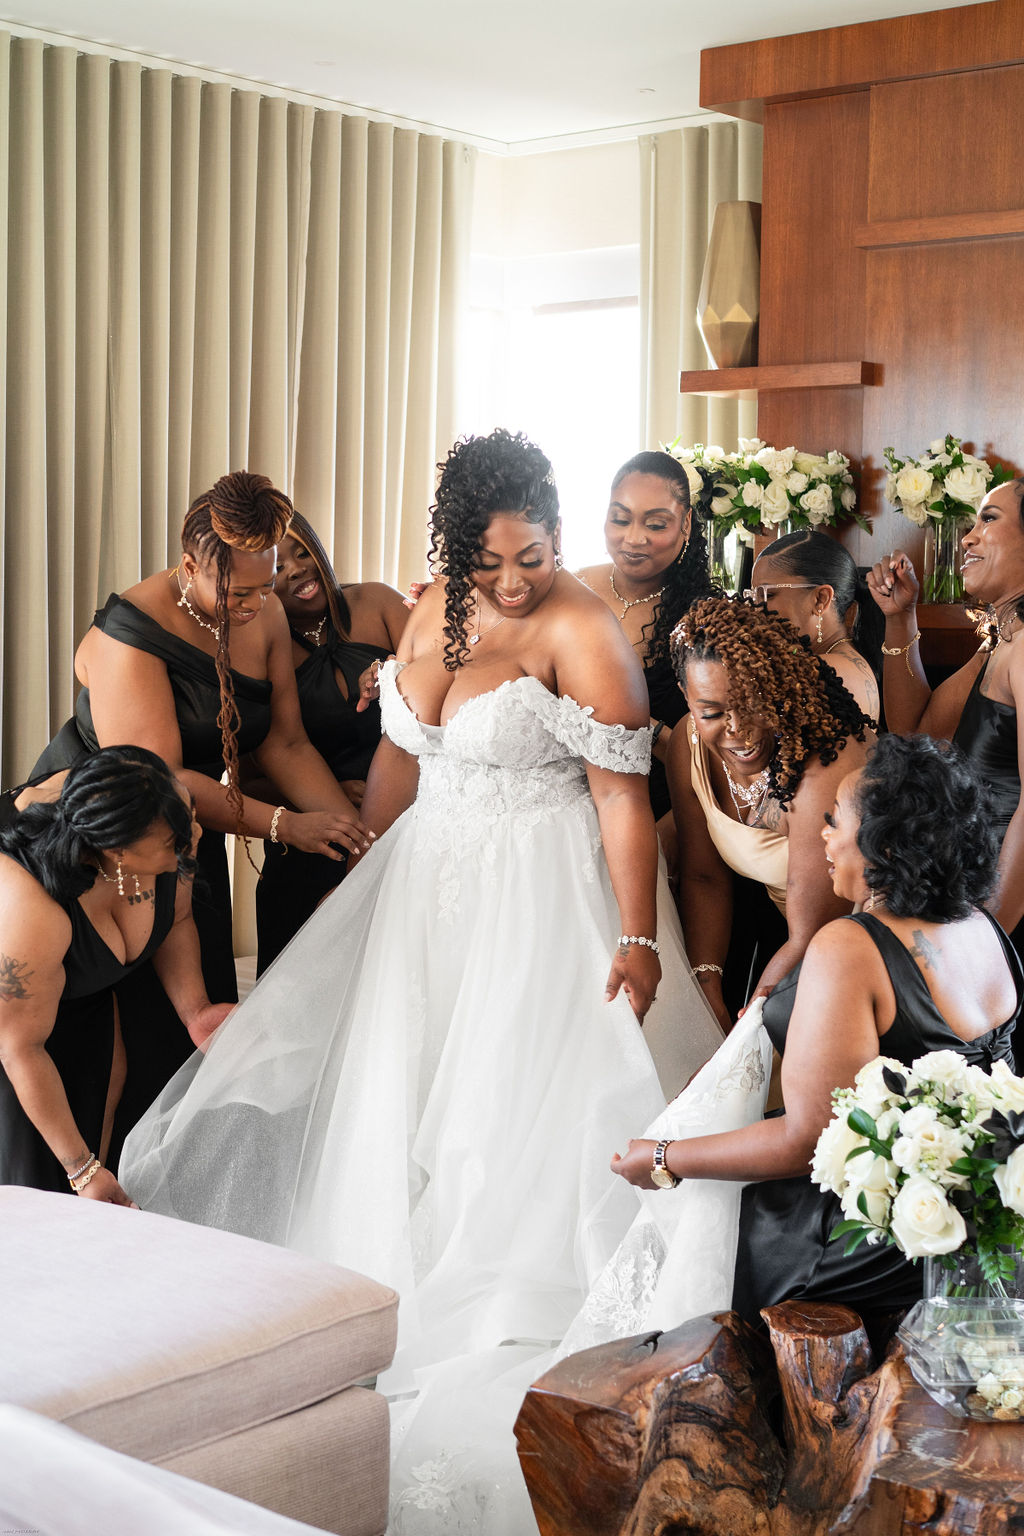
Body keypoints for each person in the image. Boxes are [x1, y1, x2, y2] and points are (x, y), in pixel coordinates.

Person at [121, 428, 723, 1534]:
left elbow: (620, 801)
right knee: (404, 1089)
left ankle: (499, 1280)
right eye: (491, 559)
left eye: (533, 554)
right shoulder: (434, 604)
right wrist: (361, 866)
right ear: (454, 547)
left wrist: (636, 940)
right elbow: (404, 757)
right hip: (427, 885)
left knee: (503, 1100)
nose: (512, 579)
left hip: (541, 897)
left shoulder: (582, 629)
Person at [606, 734, 1021, 1336]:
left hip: (875, 1242)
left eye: (835, 823)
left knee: (713, 1225)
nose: (823, 837)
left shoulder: (851, 947)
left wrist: (665, 1159)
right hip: (982, 1219)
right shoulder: (983, 927)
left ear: (883, 844)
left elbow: (806, 1141)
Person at [31, 471, 371, 1143]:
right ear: (189, 567)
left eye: (265, 584)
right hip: (105, 839)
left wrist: (357, 842)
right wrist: (285, 825)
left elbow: (285, 741)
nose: (257, 603)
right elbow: (163, 779)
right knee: (124, 1037)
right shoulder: (132, 631)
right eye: (238, 591)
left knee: (203, 1018)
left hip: (188, 832)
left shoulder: (263, 609)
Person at [0, 747, 233, 1200]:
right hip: (12, 1026)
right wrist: (82, 1170)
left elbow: (177, 922)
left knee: (101, 1096)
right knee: (30, 1184)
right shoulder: (32, 908)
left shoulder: (172, 824)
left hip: (73, 995)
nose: (196, 836)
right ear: (117, 851)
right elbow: (19, 1047)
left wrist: (195, 1010)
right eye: (174, 842)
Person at [666, 596, 872, 1032]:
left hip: (859, 949)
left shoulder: (824, 763)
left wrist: (741, 1035)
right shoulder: (688, 744)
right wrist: (707, 984)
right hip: (788, 937)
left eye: (754, 702)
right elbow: (703, 875)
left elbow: (811, 934)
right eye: (712, 712)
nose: (738, 728)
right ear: (686, 697)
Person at [245, 511, 409, 971]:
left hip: (405, 828)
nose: (296, 569)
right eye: (277, 567)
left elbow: (445, 681)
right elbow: (246, 785)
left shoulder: (377, 603)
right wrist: (325, 794)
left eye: (302, 552)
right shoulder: (259, 649)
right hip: (313, 844)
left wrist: (398, 671)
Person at [867, 479, 1024, 954]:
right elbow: (917, 731)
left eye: (989, 519)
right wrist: (901, 616)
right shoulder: (1002, 641)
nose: (967, 537)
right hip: (978, 895)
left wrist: (988, 935)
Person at [576, 449, 715, 822]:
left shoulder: (707, 616)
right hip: (563, 803)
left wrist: (632, 723)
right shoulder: (569, 588)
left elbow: (716, 761)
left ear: (685, 523)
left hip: (658, 810)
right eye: (620, 519)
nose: (633, 539)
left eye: (655, 525)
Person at [748, 529, 883, 722]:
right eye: (753, 596)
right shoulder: (838, 658)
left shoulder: (824, 670)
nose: (755, 608)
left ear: (821, 599)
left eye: (767, 595)